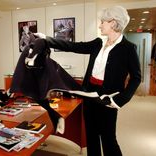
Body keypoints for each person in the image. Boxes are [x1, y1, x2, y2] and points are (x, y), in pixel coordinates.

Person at [35, 6, 141, 156]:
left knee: (109, 139)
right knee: (91, 137)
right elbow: (73, 46)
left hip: (107, 100)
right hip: (89, 96)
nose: (100, 25)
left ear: (113, 23)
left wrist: (119, 100)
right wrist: (47, 39)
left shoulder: (128, 48)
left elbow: (136, 78)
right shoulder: (98, 43)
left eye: (102, 22)